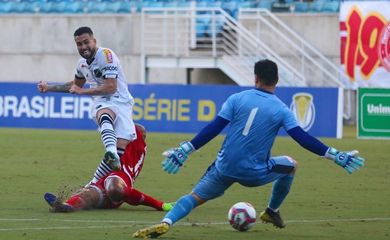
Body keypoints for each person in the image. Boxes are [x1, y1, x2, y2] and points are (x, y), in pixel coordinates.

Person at [132, 59, 365, 238]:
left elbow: (214, 128)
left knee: (193, 197)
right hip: (254, 173)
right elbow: (301, 138)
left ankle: (168, 222)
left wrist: (185, 149)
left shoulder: (237, 98)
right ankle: (272, 210)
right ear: (277, 80)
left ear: (256, 78)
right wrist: (334, 154)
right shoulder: (281, 109)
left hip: (224, 168)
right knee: (291, 165)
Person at [38, 26, 134, 184]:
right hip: (102, 102)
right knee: (104, 113)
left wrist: (82, 92)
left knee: (120, 149)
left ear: (94, 41)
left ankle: (93, 182)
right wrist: (49, 88)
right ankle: (110, 152)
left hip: (121, 101)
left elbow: (111, 87)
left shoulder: (106, 55)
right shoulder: (81, 64)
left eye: (86, 42)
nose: (83, 47)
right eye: (79, 44)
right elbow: (74, 85)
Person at [44, 124, 174, 213]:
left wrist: (160, 205)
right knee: (89, 195)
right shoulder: (123, 146)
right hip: (108, 180)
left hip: (120, 180)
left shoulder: (137, 147)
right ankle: (67, 206)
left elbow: (137, 130)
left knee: (114, 187)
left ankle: (158, 204)